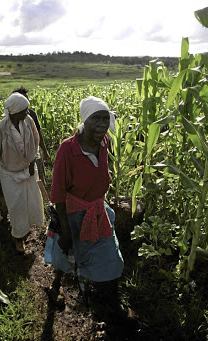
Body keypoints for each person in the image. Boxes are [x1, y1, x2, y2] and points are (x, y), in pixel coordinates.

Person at [44, 96, 132, 319]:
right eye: (97, 119)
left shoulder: (104, 143)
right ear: (85, 121)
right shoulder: (67, 150)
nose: (103, 125)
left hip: (97, 212)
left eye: (106, 119)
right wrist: (64, 229)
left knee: (110, 255)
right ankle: (56, 286)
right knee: (65, 253)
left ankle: (111, 303)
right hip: (72, 214)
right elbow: (58, 194)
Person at [0, 92, 44, 253]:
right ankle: (18, 238)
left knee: (31, 203)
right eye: (24, 110)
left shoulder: (28, 121)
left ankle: (26, 232)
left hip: (28, 169)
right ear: (14, 112)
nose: (27, 113)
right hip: (9, 174)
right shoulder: (1, 128)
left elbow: (35, 140)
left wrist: (33, 162)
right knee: (17, 207)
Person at [0, 86, 50, 220]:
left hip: (31, 159)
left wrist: (43, 153)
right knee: (13, 199)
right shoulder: (3, 125)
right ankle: (7, 216)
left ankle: (38, 214)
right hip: (10, 169)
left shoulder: (30, 115)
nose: (27, 107)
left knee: (34, 190)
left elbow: (38, 136)